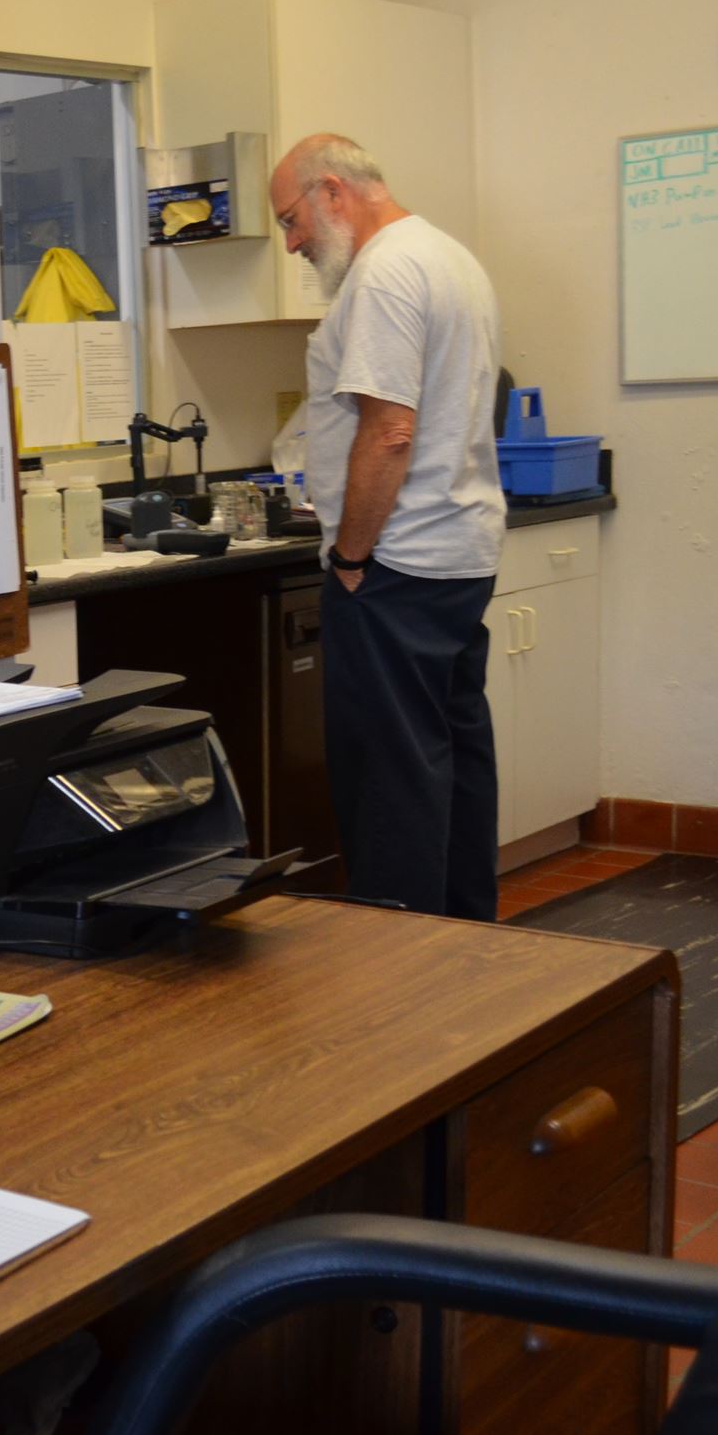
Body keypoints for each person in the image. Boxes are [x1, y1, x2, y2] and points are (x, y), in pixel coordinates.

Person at [269, 133, 505, 920]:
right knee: (453, 759)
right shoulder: (448, 256)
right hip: (459, 552)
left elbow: (389, 431)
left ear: (332, 190)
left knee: (389, 776)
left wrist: (349, 557)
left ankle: (394, 969)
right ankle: (470, 941)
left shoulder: (384, 272)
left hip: (397, 565)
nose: (295, 243)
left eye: (292, 220)